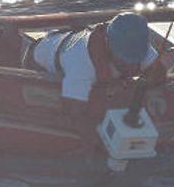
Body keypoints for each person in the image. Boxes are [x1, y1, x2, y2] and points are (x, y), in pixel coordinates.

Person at [22, 12, 166, 125]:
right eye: (124, 58)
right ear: (108, 44)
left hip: (63, 38)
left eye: (135, 58)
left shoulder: (136, 43)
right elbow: (73, 113)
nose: (130, 64)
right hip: (36, 58)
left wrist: (137, 86)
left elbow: (159, 72)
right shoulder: (81, 65)